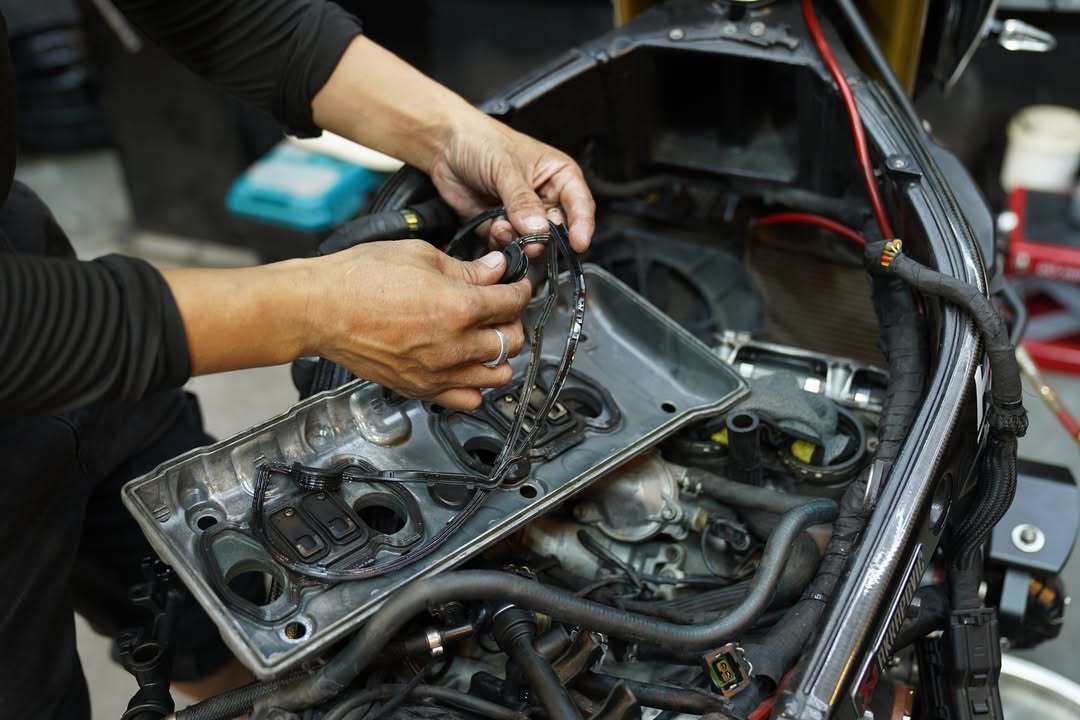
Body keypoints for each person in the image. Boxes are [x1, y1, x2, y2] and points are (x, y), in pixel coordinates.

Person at [0, 1, 596, 718]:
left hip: (68, 307)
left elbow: (214, 13)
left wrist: (454, 134)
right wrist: (320, 309)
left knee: (215, 601)